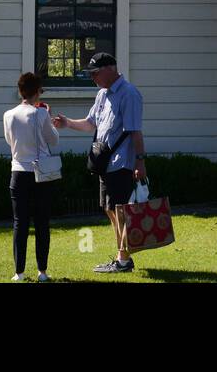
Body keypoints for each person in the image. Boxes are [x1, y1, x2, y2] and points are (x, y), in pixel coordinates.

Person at [53, 53, 145, 274]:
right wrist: (66, 123)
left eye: (95, 73)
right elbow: (89, 124)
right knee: (109, 209)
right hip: (105, 163)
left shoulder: (129, 94)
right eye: (90, 74)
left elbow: (135, 132)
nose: (92, 77)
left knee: (120, 210)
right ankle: (121, 256)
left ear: (111, 69)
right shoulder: (102, 95)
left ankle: (123, 260)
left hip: (122, 163)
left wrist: (140, 162)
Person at [3, 72, 60, 281]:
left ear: (20, 91)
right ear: (37, 92)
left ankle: (19, 272)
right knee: (42, 222)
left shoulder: (8, 115)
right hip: (40, 174)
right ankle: (42, 271)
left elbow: (10, 142)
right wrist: (48, 117)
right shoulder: (41, 114)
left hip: (17, 172)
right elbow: (53, 140)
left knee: (20, 223)